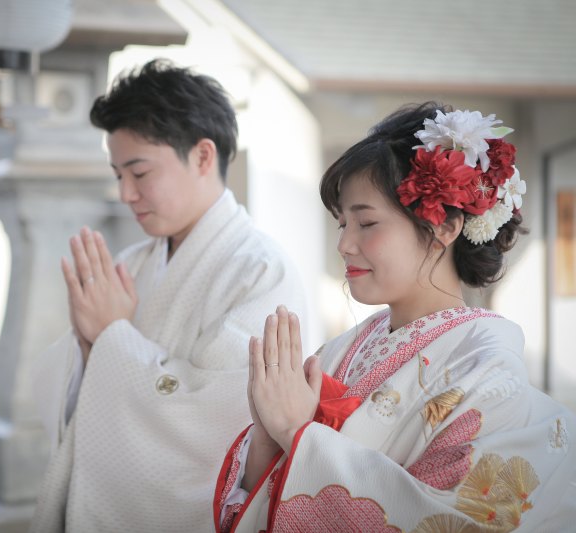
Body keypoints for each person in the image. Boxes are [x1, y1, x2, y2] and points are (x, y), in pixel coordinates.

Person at [214, 102, 576, 532]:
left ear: (444, 226)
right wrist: (266, 431)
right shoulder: (343, 350)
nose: (345, 245)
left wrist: (296, 431)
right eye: (341, 225)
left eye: (366, 223)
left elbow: (450, 521)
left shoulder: (490, 372)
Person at [29, 59, 307, 532]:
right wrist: (87, 344)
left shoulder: (261, 271)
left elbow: (221, 419)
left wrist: (112, 336)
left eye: (139, 173)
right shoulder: (135, 262)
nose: (124, 194)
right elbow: (71, 398)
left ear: (202, 156)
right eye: (118, 174)